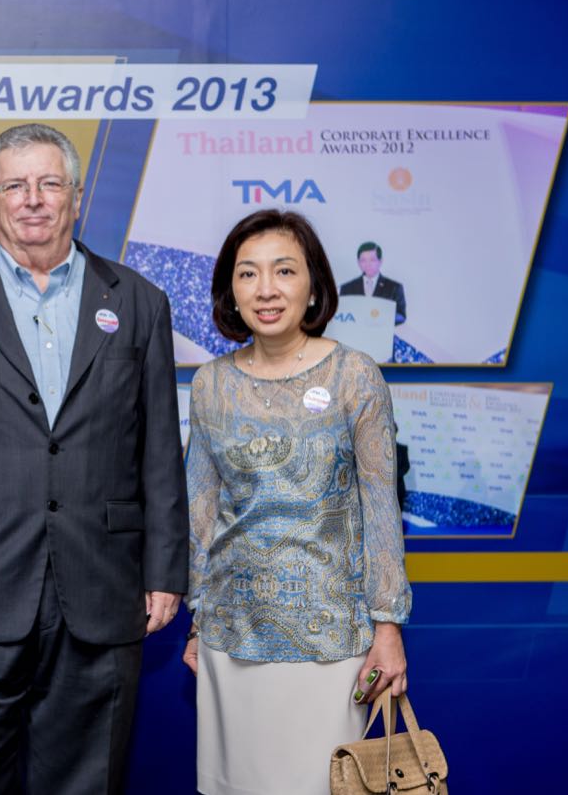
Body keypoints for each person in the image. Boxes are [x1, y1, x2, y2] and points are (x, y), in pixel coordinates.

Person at [0, 123, 188, 794]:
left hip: (103, 587)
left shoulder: (138, 302)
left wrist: (166, 568)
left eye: (50, 183)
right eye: (14, 186)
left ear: (76, 198)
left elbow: (160, 452)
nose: (32, 199)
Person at [182, 210, 412, 795]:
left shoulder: (354, 375)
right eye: (248, 274)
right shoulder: (210, 384)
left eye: (284, 271)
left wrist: (388, 627)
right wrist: (197, 619)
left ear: (313, 286)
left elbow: (381, 508)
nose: (266, 289)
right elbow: (201, 509)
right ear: (231, 292)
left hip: (331, 643)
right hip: (230, 637)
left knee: (323, 783)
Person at [339, 240, 406, 323]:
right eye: (363, 260)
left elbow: (401, 316)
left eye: (372, 260)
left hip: (382, 330)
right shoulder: (346, 288)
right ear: (358, 262)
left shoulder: (394, 287)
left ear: (380, 261)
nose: (368, 264)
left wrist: (381, 317)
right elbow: (342, 315)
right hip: (355, 330)